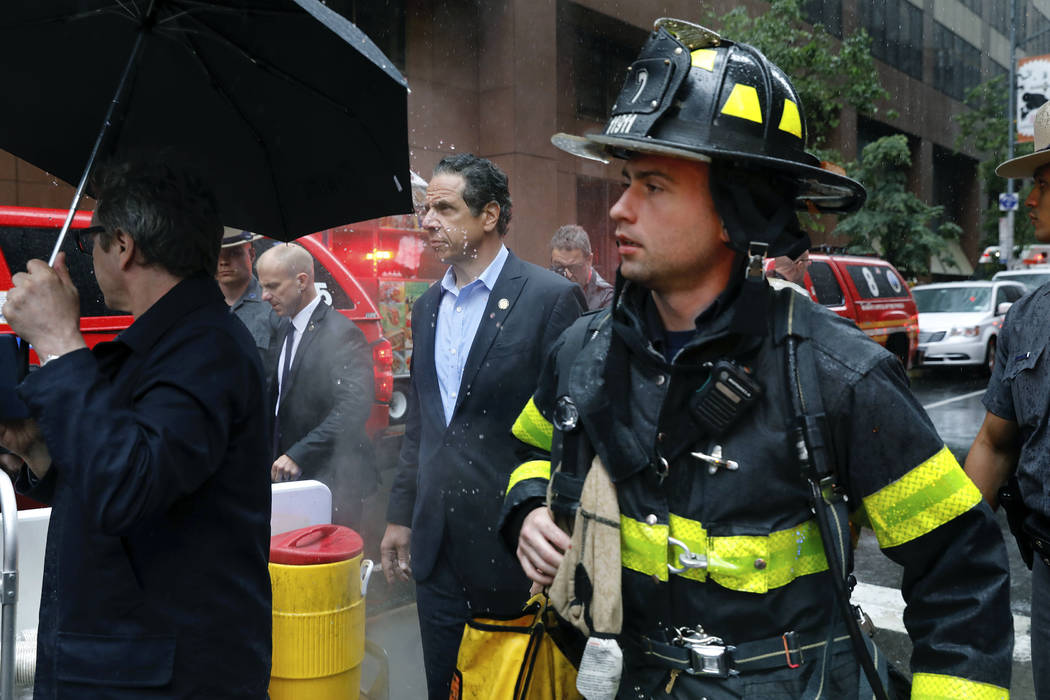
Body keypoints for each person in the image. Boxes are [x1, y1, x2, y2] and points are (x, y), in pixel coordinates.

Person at [501, 19, 1012, 699]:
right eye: (626, 180)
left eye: (652, 186)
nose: (619, 208)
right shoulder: (584, 353)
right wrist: (530, 507)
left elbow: (960, 579)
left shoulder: (837, 375)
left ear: (733, 209)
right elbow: (534, 452)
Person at [0, 160, 271, 697]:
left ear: (123, 244)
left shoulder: (207, 349)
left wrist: (58, 341)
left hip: (164, 677)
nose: (90, 255)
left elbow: (128, 485)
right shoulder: (161, 345)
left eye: (91, 240)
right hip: (128, 663)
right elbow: (125, 470)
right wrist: (39, 453)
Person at [381, 153, 585, 699]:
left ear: (489, 215)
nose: (428, 222)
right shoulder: (426, 310)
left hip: (514, 548)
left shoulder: (549, 299)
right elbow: (423, 426)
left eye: (444, 209)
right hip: (436, 551)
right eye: (426, 210)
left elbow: (573, 431)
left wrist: (552, 523)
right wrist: (400, 515)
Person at [965, 100, 1050, 699]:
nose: (1033, 200)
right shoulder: (1026, 319)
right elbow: (995, 442)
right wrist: (946, 543)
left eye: (1043, 183)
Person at [257, 242, 376, 530]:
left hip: (333, 481)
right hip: (292, 477)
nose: (264, 296)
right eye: (262, 286)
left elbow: (353, 408)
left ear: (302, 281)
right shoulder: (284, 325)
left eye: (273, 286)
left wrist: (299, 453)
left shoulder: (342, 333)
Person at [216, 226, 280, 372]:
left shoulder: (273, 308)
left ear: (251, 254)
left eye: (234, 253)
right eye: (217, 254)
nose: (224, 261)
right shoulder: (198, 306)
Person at [550, 224, 614, 310]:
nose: (566, 274)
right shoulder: (545, 284)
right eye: (559, 266)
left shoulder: (606, 298)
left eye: (573, 267)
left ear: (589, 260)